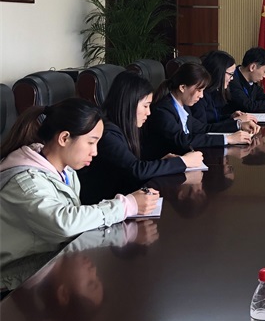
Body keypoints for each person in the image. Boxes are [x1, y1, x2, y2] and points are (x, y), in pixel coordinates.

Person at [0, 99, 160, 263]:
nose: (95, 152)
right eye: (91, 142)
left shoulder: (67, 171)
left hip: (49, 260)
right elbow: (64, 223)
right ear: (64, 138)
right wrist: (126, 205)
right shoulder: (26, 183)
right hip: (18, 274)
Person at [77, 71, 205, 205]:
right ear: (129, 103)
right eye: (145, 106)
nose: (148, 112)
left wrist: (161, 161)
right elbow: (136, 170)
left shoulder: (125, 128)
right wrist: (184, 161)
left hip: (121, 199)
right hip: (104, 206)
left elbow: (133, 163)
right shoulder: (107, 133)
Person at [141, 62, 255, 160]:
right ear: (182, 87)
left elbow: (204, 128)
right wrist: (228, 139)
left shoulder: (183, 107)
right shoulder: (163, 110)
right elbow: (183, 140)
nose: (201, 96)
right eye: (199, 90)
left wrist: (238, 125)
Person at [191, 50, 256, 125]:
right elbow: (203, 128)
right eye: (230, 74)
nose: (232, 78)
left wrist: (231, 117)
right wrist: (235, 122)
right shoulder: (199, 96)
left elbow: (213, 119)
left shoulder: (214, 92)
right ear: (218, 72)